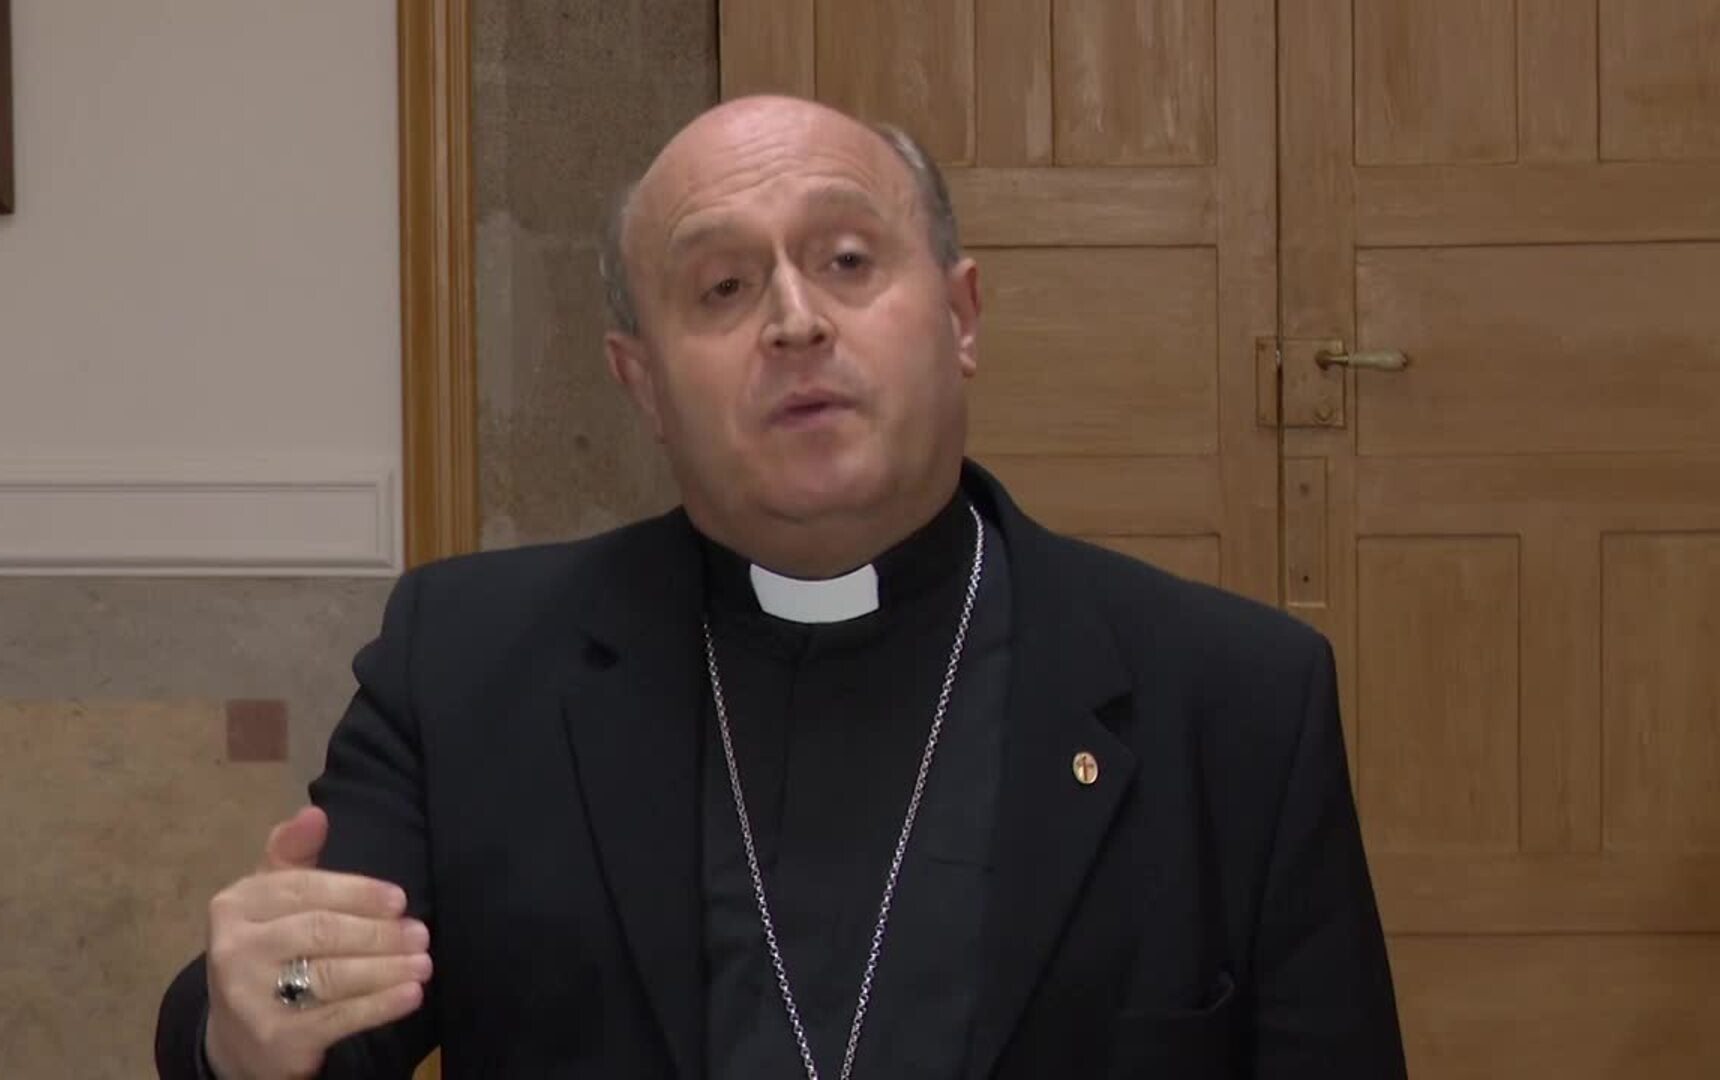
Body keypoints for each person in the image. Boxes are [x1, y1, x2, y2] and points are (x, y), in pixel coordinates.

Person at [156, 94, 1407, 1079]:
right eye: (723, 287)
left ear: (962, 317)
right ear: (642, 383)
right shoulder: (470, 666)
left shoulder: (1236, 699)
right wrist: (252, 1016)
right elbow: (308, 1008)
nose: (796, 321)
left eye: (849, 259)